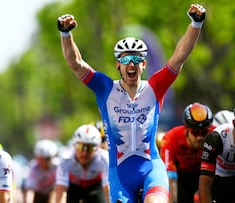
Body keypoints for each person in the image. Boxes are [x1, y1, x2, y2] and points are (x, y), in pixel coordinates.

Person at [57, 3, 206, 203]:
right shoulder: (105, 88)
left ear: (144, 64)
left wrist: (195, 24)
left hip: (151, 169)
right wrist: (66, 34)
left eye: (137, 58)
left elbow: (180, 57)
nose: (131, 64)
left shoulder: (155, 87)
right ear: (118, 64)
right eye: (125, 59)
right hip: (120, 175)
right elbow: (75, 63)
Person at [160, 102, 215, 203]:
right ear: (186, 129)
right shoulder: (171, 138)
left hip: (205, 174)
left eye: (204, 132)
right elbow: (170, 178)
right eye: (195, 132)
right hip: (181, 177)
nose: (200, 137)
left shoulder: (216, 135)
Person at [55, 124, 109, 203]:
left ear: (97, 148)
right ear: (74, 145)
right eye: (80, 147)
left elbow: (107, 189)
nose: (84, 153)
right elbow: (61, 190)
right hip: (73, 188)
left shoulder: (104, 158)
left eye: (90, 148)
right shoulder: (66, 158)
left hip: (95, 187)